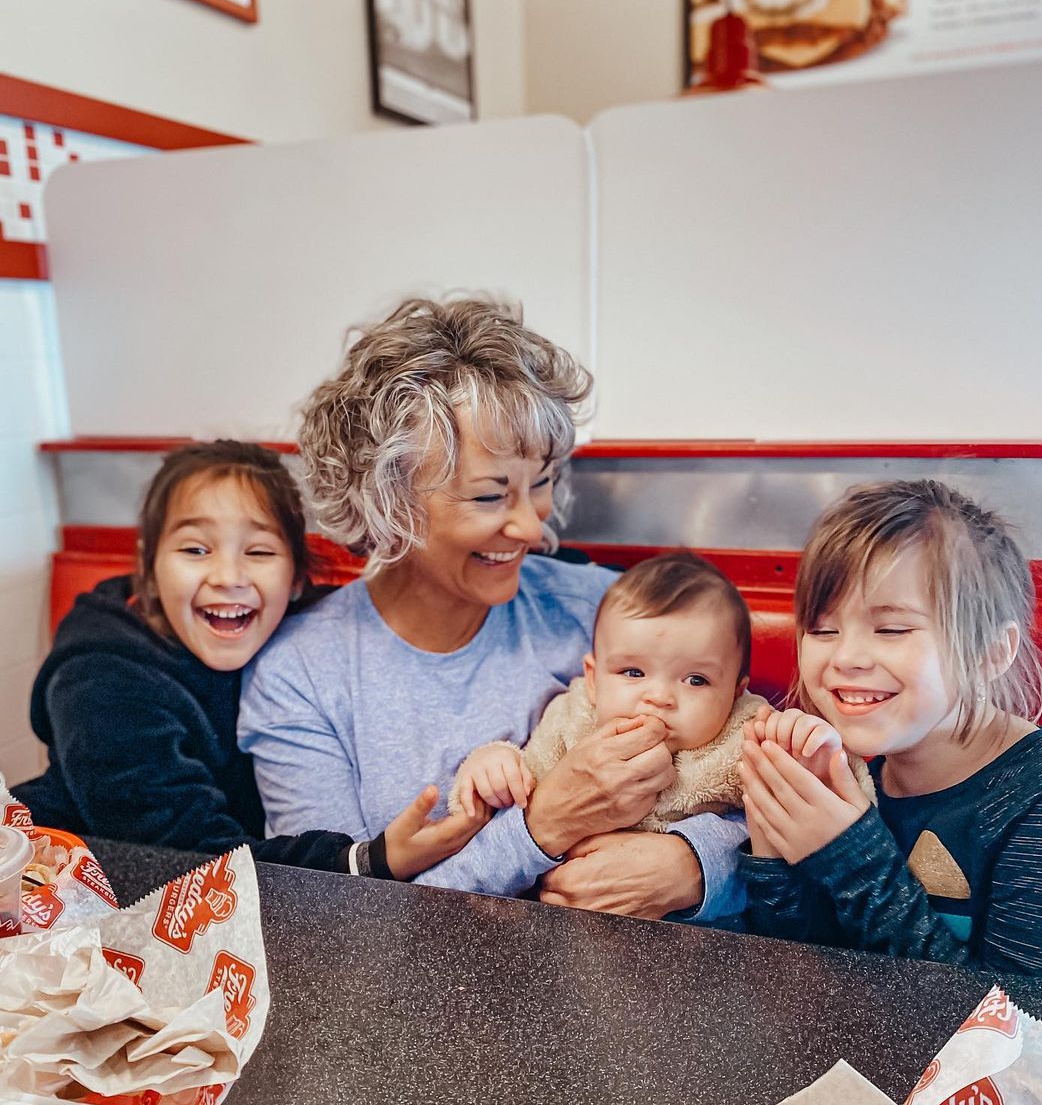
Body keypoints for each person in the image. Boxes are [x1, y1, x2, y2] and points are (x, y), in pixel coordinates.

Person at [238, 297, 748, 922]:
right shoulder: (303, 675)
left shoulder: (604, 614)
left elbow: (757, 801)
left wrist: (696, 866)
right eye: (489, 495)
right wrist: (542, 827)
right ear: (385, 498)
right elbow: (329, 913)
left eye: (541, 483)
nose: (532, 527)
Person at [15, 441, 471, 880]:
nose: (229, 577)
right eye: (196, 549)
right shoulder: (103, 682)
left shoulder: (309, 636)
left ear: (295, 579)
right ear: (149, 567)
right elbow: (187, 861)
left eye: (259, 552)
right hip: (61, 894)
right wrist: (368, 861)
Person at [737, 478, 1042, 982]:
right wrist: (772, 849)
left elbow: (1020, 1031)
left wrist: (847, 855)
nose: (846, 658)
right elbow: (805, 976)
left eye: (892, 629)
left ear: (991, 653)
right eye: (823, 629)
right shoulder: (855, 768)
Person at [452, 552, 873, 828]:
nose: (659, 697)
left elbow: (831, 798)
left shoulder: (746, 737)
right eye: (633, 673)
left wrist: (813, 752)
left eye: (696, 680)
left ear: (735, 693)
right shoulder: (572, 719)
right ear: (594, 680)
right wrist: (495, 762)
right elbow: (525, 775)